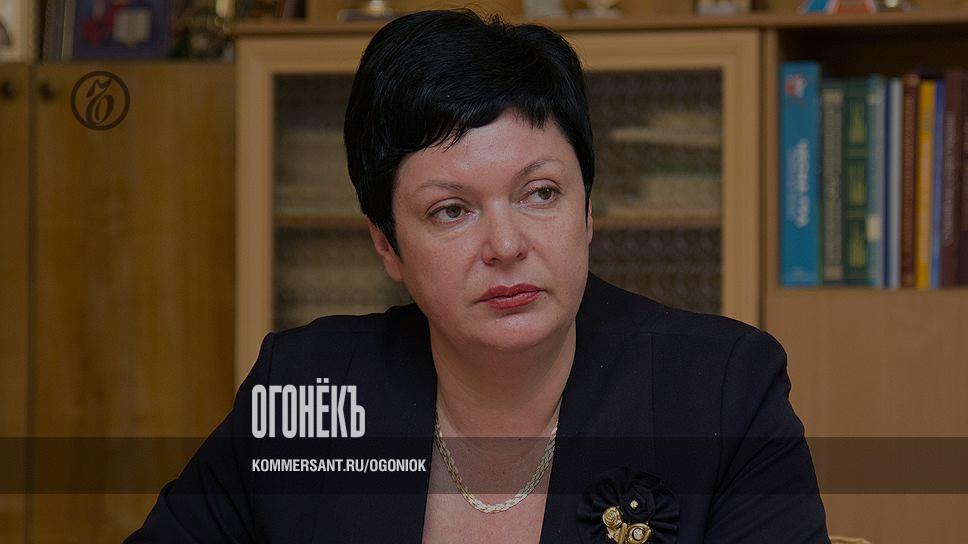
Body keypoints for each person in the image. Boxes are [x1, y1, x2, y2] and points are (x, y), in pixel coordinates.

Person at [126, 9, 829, 543]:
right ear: (388, 247)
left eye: (541, 193)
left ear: (588, 211)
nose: (506, 244)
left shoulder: (721, 392)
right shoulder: (309, 389)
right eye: (451, 210)